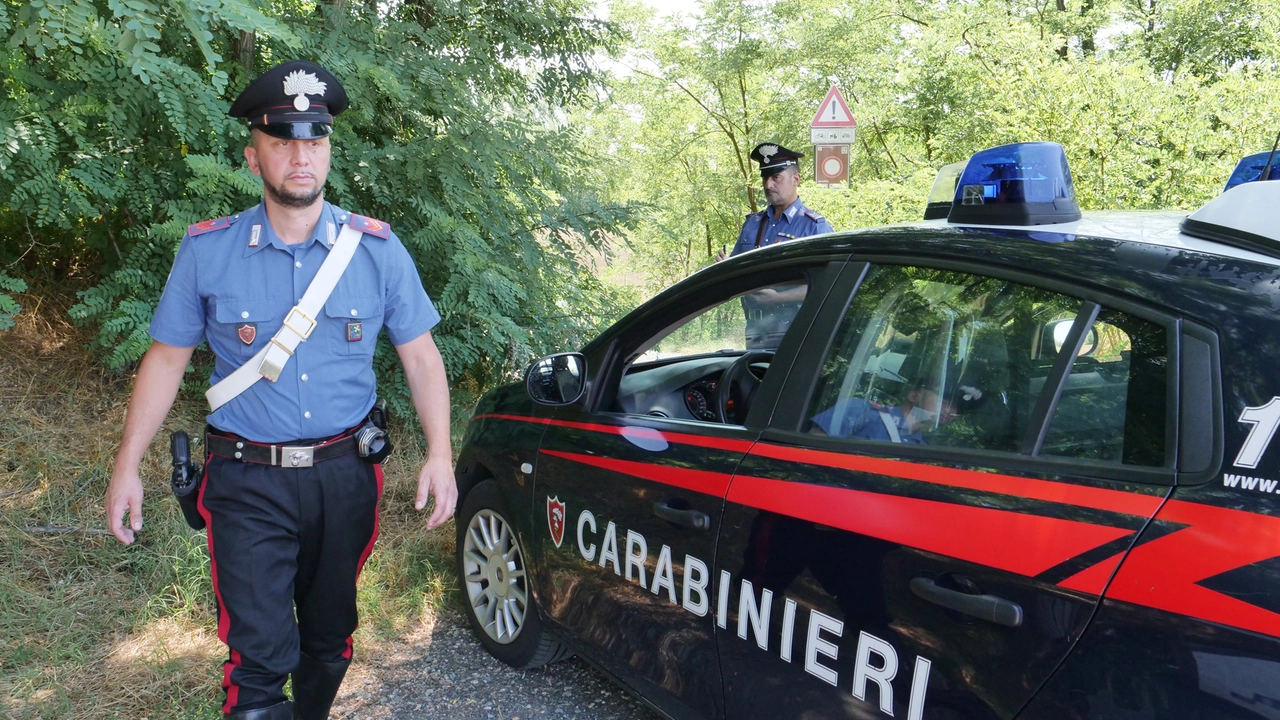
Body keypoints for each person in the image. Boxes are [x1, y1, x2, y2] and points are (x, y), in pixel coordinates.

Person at [103, 60, 457, 720]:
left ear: (329, 150)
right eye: (282, 141)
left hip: (345, 478)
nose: (301, 157)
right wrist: (127, 465)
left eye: (315, 141)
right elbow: (165, 362)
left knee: (328, 643)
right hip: (245, 480)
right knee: (259, 657)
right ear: (253, 155)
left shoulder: (377, 251)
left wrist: (440, 452)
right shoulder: (208, 252)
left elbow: (422, 357)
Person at [715, 142, 834, 262]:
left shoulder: (815, 228)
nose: (768, 185)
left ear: (796, 179)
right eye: (765, 178)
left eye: (776, 177)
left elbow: (829, 275)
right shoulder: (752, 224)